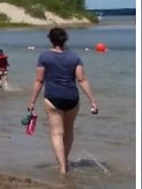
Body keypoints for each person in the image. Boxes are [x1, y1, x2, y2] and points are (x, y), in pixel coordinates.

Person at [26, 28, 99, 174]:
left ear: (50, 39)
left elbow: (39, 80)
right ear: (65, 39)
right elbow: (82, 80)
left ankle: (62, 168)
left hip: (53, 98)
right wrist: (93, 101)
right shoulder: (74, 57)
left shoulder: (44, 57)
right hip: (72, 98)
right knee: (69, 130)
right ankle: (65, 160)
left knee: (56, 133)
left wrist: (32, 101)